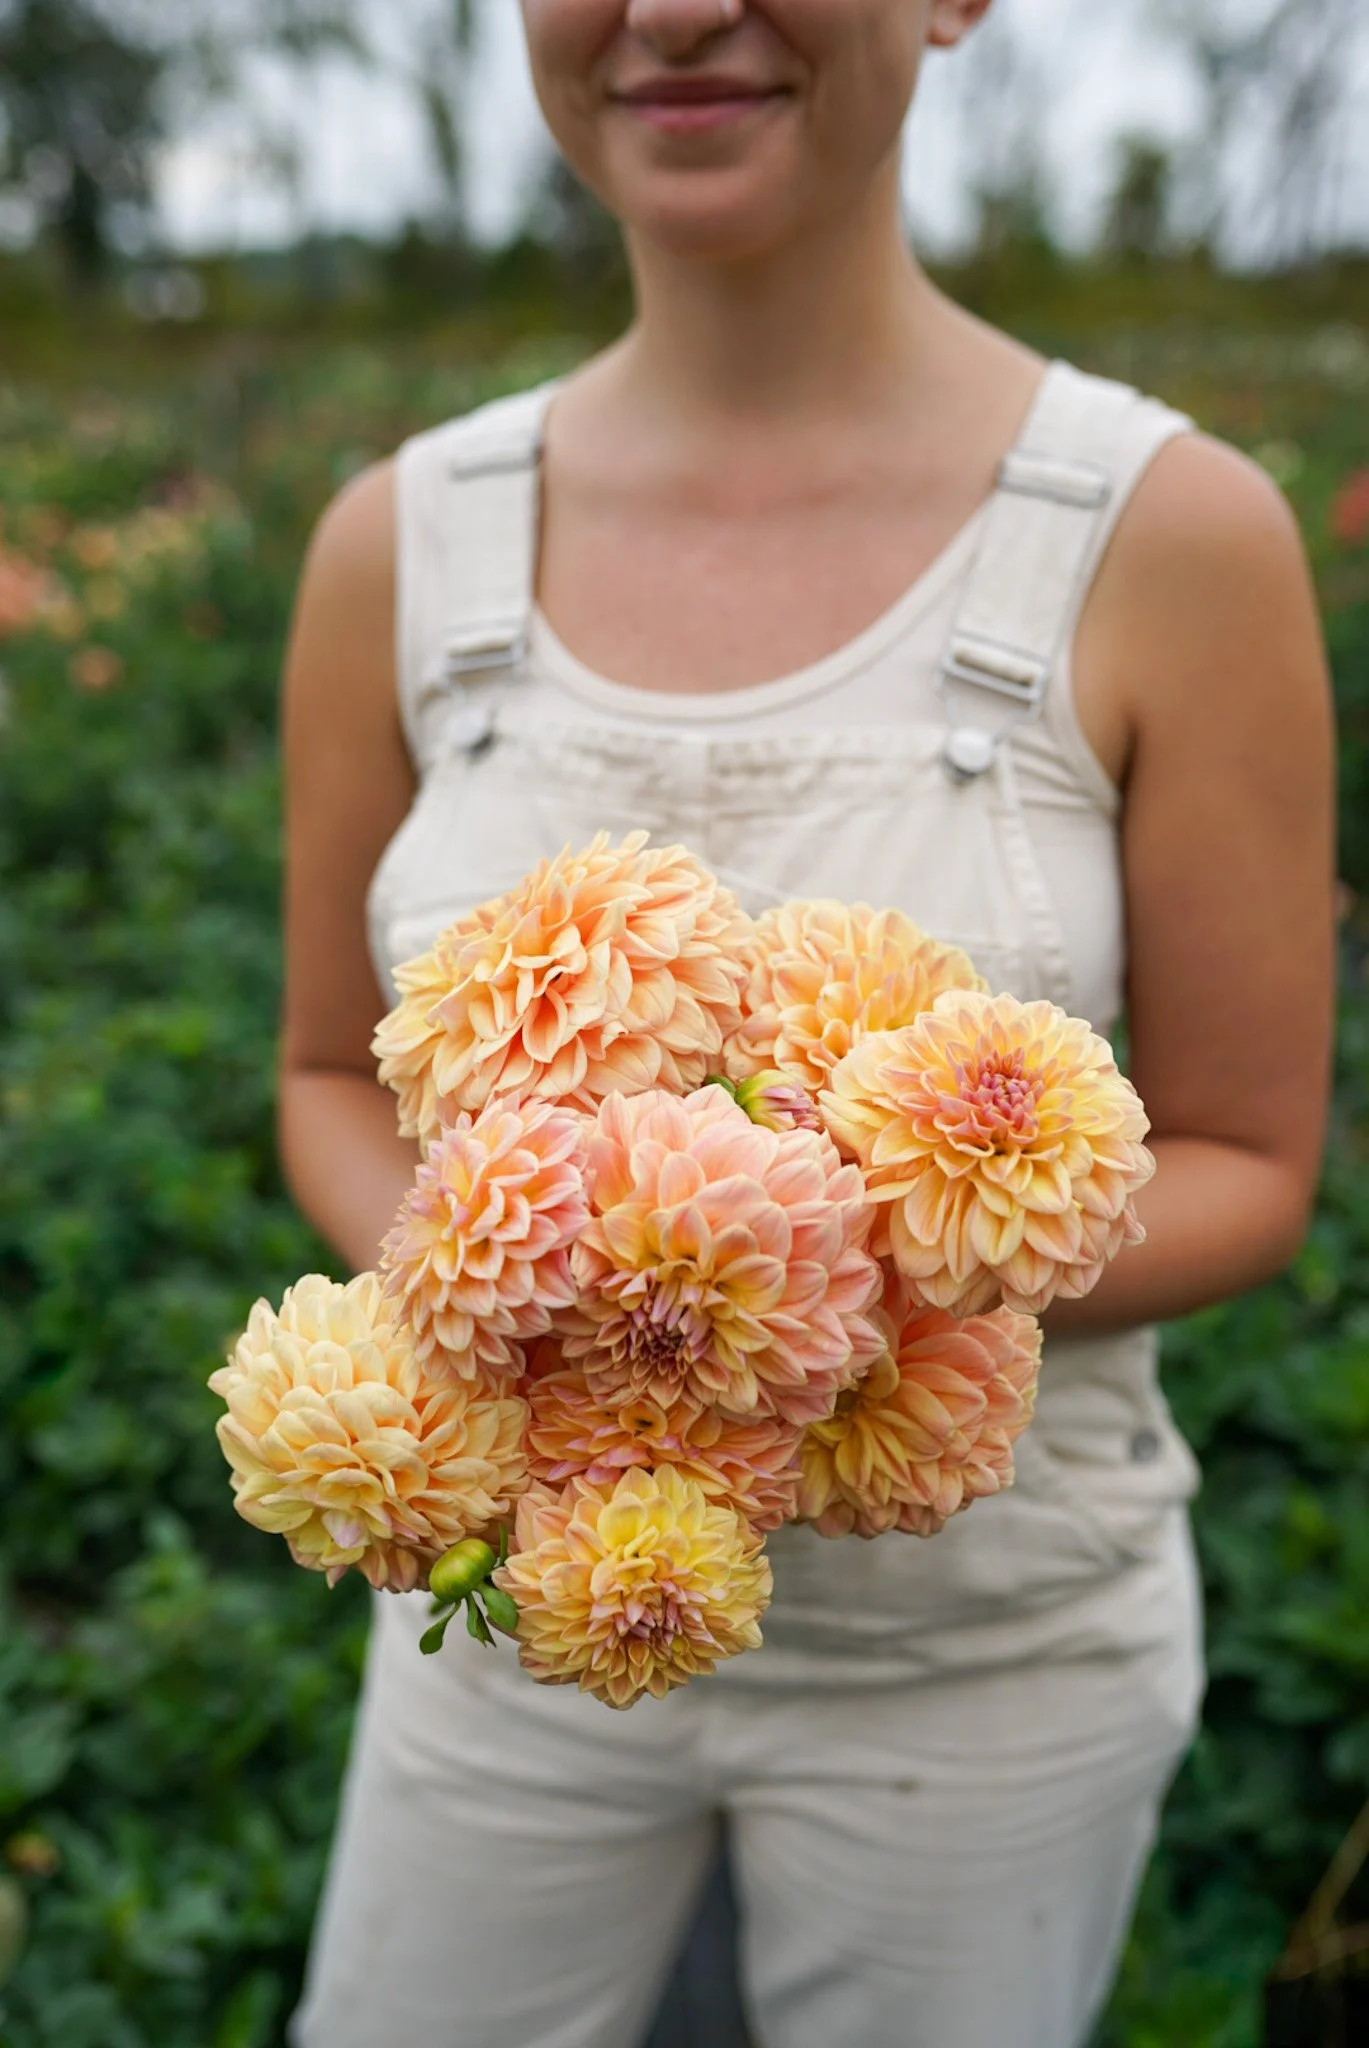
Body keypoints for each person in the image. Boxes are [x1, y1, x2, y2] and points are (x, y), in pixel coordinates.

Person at [276, 4, 1336, 2044]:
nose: (675, 13)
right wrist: (503, 1288)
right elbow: (330, 1073)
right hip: (518, 1647)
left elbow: (1251, 1164)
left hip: (988, 1673)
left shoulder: (1173, 537)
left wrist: (825, 1290)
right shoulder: (398, 545)